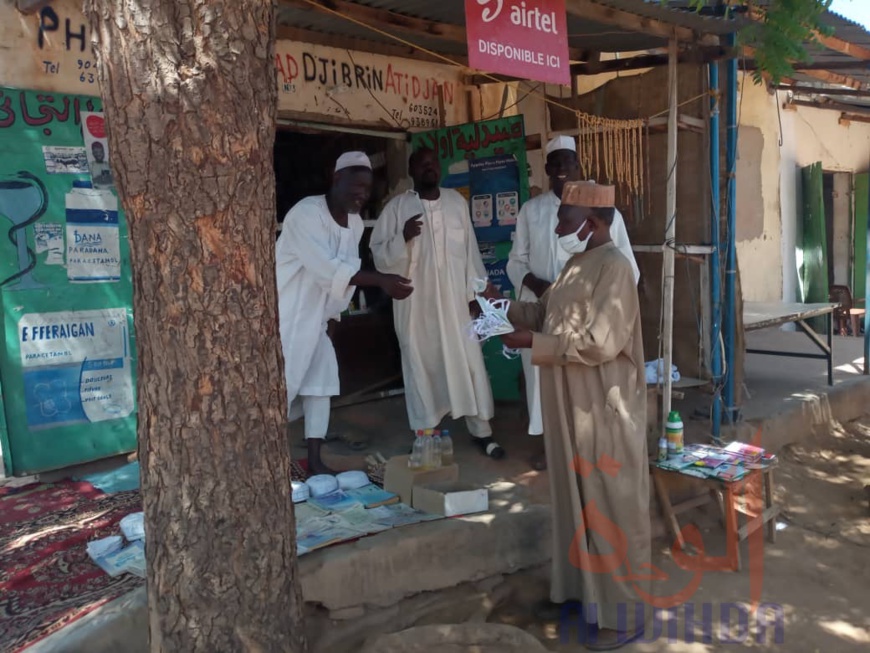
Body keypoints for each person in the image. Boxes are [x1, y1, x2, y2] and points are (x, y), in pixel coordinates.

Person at [495, 180, 650, 649]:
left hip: (603, 404)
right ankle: (582, 595)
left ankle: (625, 615)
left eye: (565, 217)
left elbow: (602, 342)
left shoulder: (616, 268)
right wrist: (507, 310)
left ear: (594, 223)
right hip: (568, 403)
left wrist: (534, 344)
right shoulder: (575, 264)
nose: (557, 225)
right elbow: (547, 314)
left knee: (610, 504)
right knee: (575, 501)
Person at [507, 135, 639, 471]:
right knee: (545, 386)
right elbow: (516, 261)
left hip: (588, 318)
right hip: (544, 308)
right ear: (547, 168)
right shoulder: (531, 210)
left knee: (583, 388)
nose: (565, 169)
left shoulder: (603, 225)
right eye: (558, 162)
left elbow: (625, 271)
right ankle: (552, 445)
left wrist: (584, 297)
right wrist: (540, 291)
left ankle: (582, 452)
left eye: (571, 162)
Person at [277, 151, 413, 474]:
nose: (361, 195)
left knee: (320, 385)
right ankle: (256, 461)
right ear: (336, 178)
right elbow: (329, 269)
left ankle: (314, 460)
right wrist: (381, 280)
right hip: (289, 316)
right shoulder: (305, 215)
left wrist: (335, 315)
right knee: (281, 390)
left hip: (320, 318)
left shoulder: (353, 223)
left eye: (367, 189)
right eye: (356, 187)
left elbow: (349, 266)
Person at [370, 147, 504, 459]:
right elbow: (377, 253)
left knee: (469, 364)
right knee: (421, 365)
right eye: (423, 164)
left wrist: (475, 297)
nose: (430, 168)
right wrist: (401, 237)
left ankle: (482, 432)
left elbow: (470, 252)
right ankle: (426, 434)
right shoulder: (396, 208)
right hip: (417, 307)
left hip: (457, 303)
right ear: (412, 171)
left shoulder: (457, 202)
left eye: (433, 163)